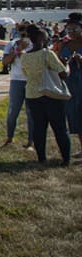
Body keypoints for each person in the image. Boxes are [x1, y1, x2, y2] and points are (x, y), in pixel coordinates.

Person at [21, 25, 71, 166]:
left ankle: (41, 158)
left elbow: (26, 75)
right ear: (41, 39)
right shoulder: (46, 54)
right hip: (50, 94)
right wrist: (67, 65)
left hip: (32, 94)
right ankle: (66, 159)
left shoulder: (24, 56)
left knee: (39, 128)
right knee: (60, 128)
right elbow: (63, 74)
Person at [52, 12, 82, 158]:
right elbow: (59, 63)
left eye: (74, 29)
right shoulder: (66, 44)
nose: (71, 32)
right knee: (75, 116)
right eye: (69, 29)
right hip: (71, 84)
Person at [2, 23, 33, 148]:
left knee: (32, 114)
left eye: (26, 30)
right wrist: (16, 51)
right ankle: (10, 137)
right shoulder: (12, 44)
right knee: (12, 112)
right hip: (16, 80)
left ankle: (31, 141)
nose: (23, 32)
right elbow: (5, 62)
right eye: (21, 30)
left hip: (31, 80)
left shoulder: (34, 44)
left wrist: (24, 50)